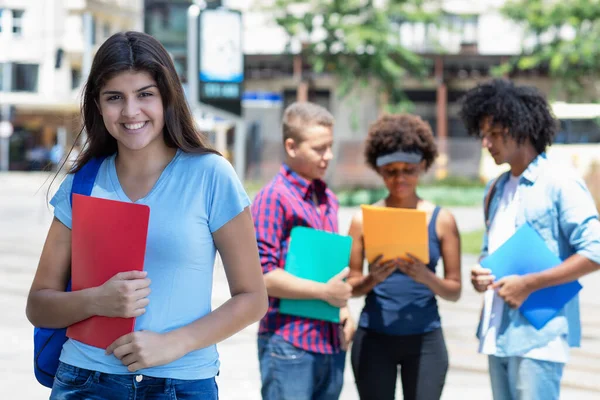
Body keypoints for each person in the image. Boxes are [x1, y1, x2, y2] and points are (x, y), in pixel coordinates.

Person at [26, 31, 268, 399]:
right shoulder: (82, 183)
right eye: (114, 98)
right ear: (97, 104)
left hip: (181, 383)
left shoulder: (210, 175)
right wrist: (96, 300)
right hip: (85, 381)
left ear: (167, 97)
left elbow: (252, 298)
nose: (130, 112)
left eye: (145, 94)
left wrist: (176, 342)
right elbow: (39, 306)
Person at [459, 78, 600, 400]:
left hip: (541, 336)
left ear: (521, 129)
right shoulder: (494, 189)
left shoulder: (559, 182)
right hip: (497, 333)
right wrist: (481, 273)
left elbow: (595, 250)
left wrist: (529, 283)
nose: (486, 143)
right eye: (483, 135)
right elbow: (488, 252)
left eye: (494, 134)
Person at [346, 113, 462, 400]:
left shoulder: (442, 220)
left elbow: (455, 290)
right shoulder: (362, 220)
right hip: (374, 338)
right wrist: (373, 278)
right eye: (391, 171)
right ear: (379, 170)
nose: (400, 179)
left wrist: (425, 277)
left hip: (426, 339)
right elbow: (351, 286)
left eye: (409, 170)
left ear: (423, 166)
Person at [251, 101, 355, 400]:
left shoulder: (328, 198)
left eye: (330, 146)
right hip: (288, 343)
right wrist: (326, 293)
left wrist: (344, 309)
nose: (329, 156)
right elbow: (262, 275)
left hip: (329, 342)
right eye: (320, 148)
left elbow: (331, 268)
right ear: (291, 147)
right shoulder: (274, 198)